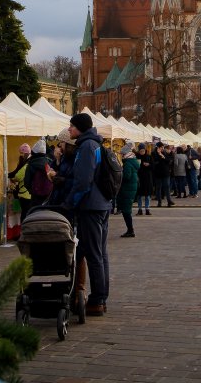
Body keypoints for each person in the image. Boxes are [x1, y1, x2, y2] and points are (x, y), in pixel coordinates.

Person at [63, 113, 110, 317]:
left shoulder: (86, 147)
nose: (69, 129)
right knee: (99, 253)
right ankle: (99, 297)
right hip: (101, 204)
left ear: (80, 128)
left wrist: (69, 203)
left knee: (94, 255)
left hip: (91, 206)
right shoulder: (95, 144)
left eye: (72, 126)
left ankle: (97, 300)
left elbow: (83, 181)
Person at [47, 128, 76, 206]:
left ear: (69, 144)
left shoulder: (76, 158)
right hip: (59, 198)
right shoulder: (64, 156)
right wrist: (57, 160)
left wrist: (61, 180)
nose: (59, 145)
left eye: (62, 142)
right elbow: (57, 170)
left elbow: (78, 182)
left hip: (67, 202)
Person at [117, 142, 140, 237]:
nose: (121, 156)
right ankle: (130, 230)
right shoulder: (133, 162)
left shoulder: (127, 164)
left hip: (127, 189)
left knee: (126, 210)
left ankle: (130, 230)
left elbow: (127, 176)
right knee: (126, 209)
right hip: (131, 188)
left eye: (122, 154)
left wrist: (120, 174)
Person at [24, 138, 53, 210]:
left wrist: (32, 191)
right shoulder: (50, 163)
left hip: (35, 196)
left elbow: (26, 182)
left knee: (35, 212)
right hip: (49, 195)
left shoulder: (31, 164)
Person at [9, 143, 33, 218]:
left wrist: (11, 178)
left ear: (26, 153)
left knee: (25, 213)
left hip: (25, 193)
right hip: (28, 193)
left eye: (22, 153)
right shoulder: (28, 161)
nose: (21, 155)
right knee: (27, 212)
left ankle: (24, 225)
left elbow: (18, 175)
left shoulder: (27, 163)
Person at [152, 141, 174, 207]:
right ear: (158, 147)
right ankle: (159, 202)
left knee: (167, 187)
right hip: (158, 173)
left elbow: (168, 161)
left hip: (165, 173)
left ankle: (169, 201)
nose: (162, 148)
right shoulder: (153, 153)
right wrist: (159, 155)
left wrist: (162, 156)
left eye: (163, 147)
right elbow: (155, 162)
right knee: (158, 188)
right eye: (161, 147)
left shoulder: (164, 152)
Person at [135, 144, 153, 214]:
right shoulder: (136, 157)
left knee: (147, 195)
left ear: (145, 150)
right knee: (139, 195)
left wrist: (149, 165)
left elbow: (153, 166)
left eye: (143, 151)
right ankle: (140, 209)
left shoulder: (149, 156)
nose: (142, 152)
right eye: (141, 151)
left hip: (147, 178)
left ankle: (147, 209)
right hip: (139, 178)